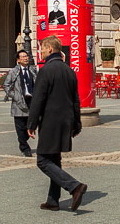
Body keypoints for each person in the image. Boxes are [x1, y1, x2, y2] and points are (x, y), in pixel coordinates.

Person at [26, 35, 87, 211]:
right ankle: (53, 200)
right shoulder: (69, 70)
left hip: (50, 121)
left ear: (51, 49)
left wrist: (31, 124)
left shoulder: (46, 70)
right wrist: (77, 123)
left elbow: (38, 100)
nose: (41, 51)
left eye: (43, 48)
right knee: (55, 158)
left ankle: (74, 186)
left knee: (43, 161)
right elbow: (76, 99)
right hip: (66, 120)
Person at [3, 50, 37, 157]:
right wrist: (15, 96)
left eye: (26, 56)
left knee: (30, 124)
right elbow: (6, 85)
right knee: (20, 128)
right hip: (18, 103)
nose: (25, 58)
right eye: (22, 57)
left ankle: (25, 139)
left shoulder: (33, 70)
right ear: (18, 60)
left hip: (31, 100)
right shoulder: (14, 72)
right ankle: (24, 148)